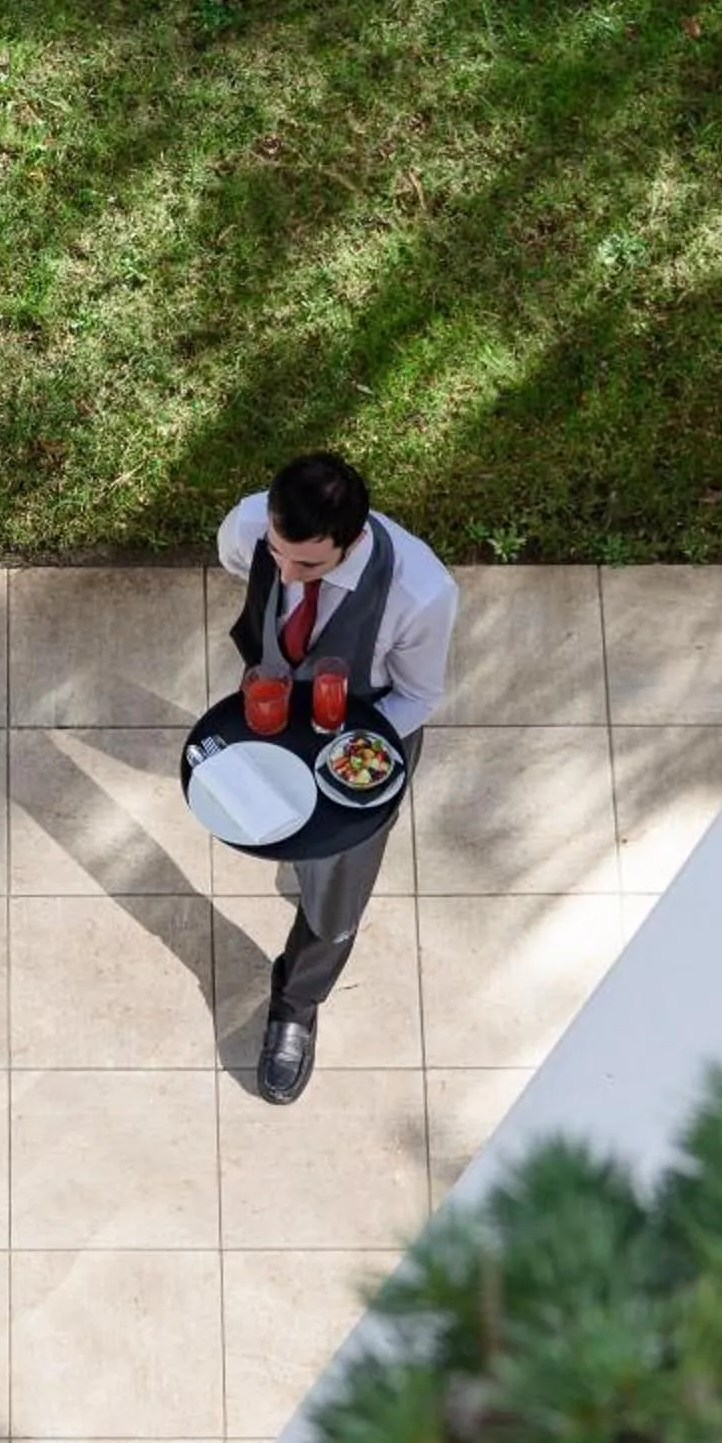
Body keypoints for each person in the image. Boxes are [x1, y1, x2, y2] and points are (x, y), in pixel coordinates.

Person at [216, 453, 458, 1106]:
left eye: (309, 566)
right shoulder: (252, 527)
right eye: (279, 554)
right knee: (280, 826)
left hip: (368, 730)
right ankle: (299, 861)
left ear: (350, 540)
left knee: (337, 896)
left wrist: (343, 754)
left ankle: (296, 1003)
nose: (287, 573)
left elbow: (418, 696)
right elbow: (241, 559)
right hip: (276, 705)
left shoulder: (421, 592)